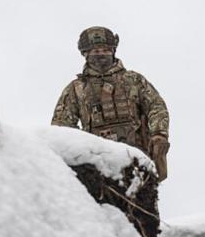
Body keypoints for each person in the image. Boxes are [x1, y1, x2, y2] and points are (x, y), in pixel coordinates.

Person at [52, 26, 170, 181]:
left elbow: (156, 107)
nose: (101, 54)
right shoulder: (76, 89)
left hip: (137, 159)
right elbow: (61, 127)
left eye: (105, 50)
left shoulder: (134, 80)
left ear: (113, 51)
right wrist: (77, 155)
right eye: (95, 51)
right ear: (85, 53)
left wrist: (159, 134)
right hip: (98, 165)